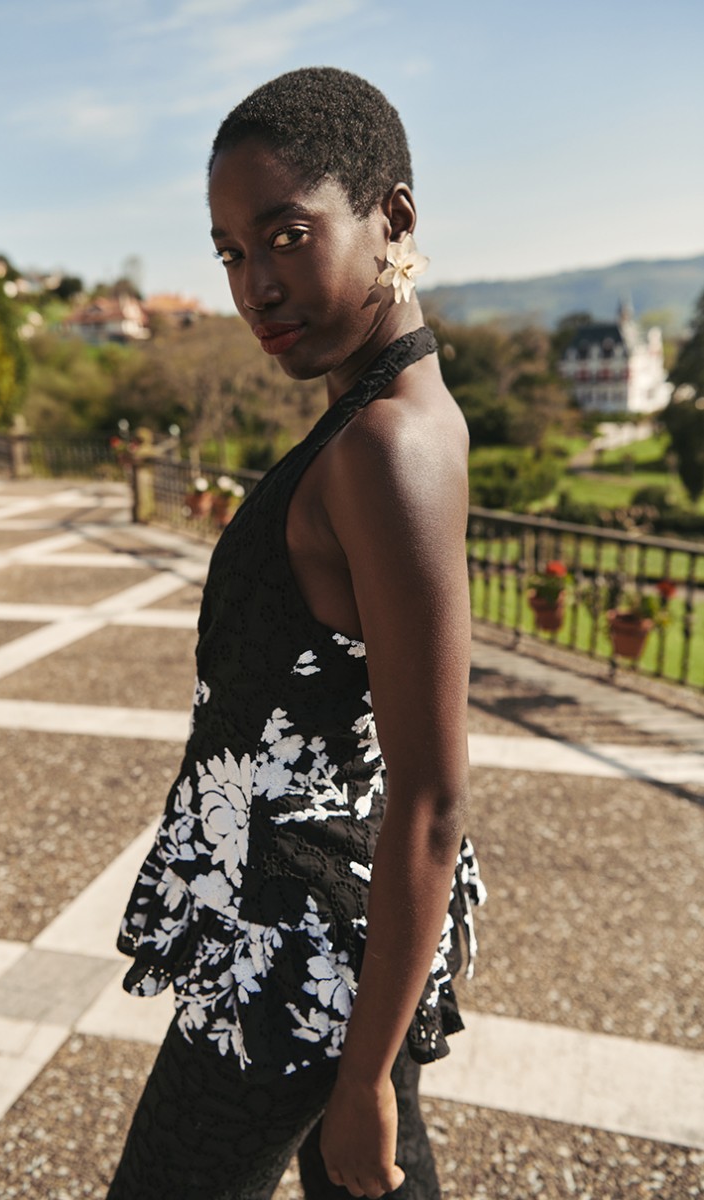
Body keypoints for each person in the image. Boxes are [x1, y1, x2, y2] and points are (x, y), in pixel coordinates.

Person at [107, 66, 485, 1200]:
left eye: (285, 234)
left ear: (393, 219)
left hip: (300, 956)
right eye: (229, 252)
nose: (255, 284)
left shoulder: (385, 447)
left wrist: (365, 1076)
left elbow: (429, 794)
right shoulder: (371, 420)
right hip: (321, 938)